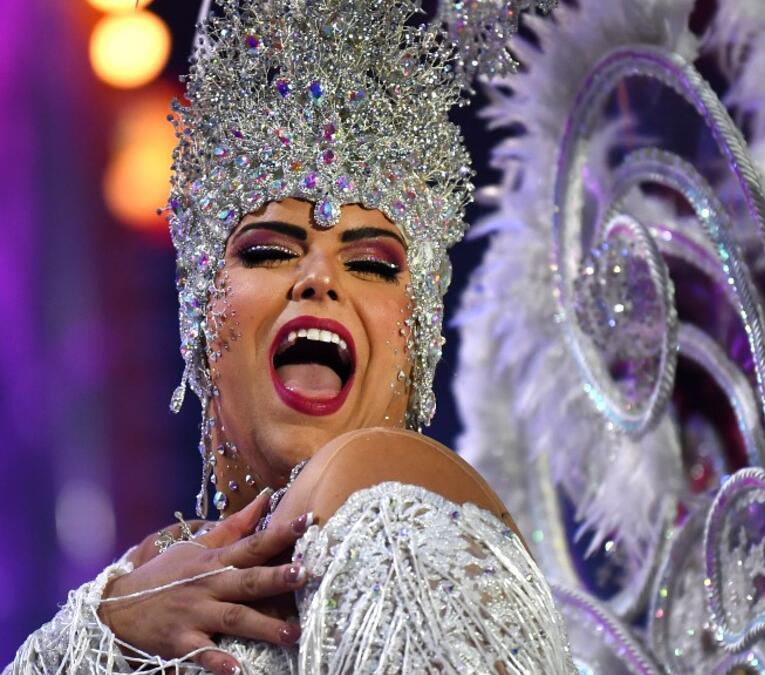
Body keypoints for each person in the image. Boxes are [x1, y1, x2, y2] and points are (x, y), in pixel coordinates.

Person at [5, 0, 573, 672]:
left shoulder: (389, 506)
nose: (318, 278)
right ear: (203, 322)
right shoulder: (151, 578)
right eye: (268, 252)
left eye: (370, 264)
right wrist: (110, 624)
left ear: (414, 343)